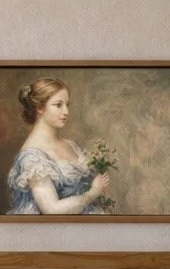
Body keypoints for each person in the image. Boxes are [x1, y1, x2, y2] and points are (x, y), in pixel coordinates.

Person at [6, 78, 111, 215]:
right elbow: (52, 210)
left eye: (67, 105)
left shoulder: (70, 145)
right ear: (40, 108)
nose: (66, 111)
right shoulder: (32, 158)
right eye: (58, 105)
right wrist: (93, 193)